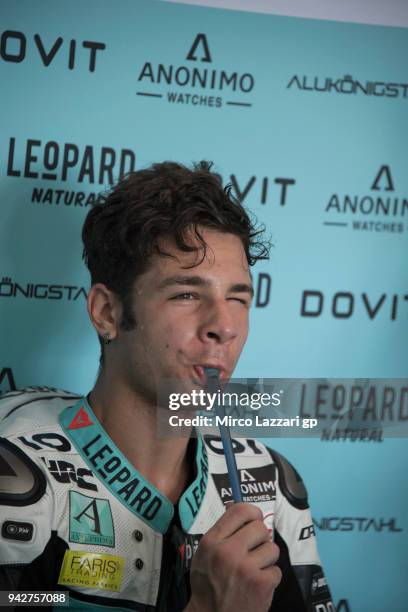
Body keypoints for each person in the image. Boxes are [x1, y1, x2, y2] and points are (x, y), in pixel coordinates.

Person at [0, 162, 333, 611]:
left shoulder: (270, 482)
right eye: (186, 294)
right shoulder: (17, 478)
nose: (223, 326)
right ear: (107, 313)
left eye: (238, 298)